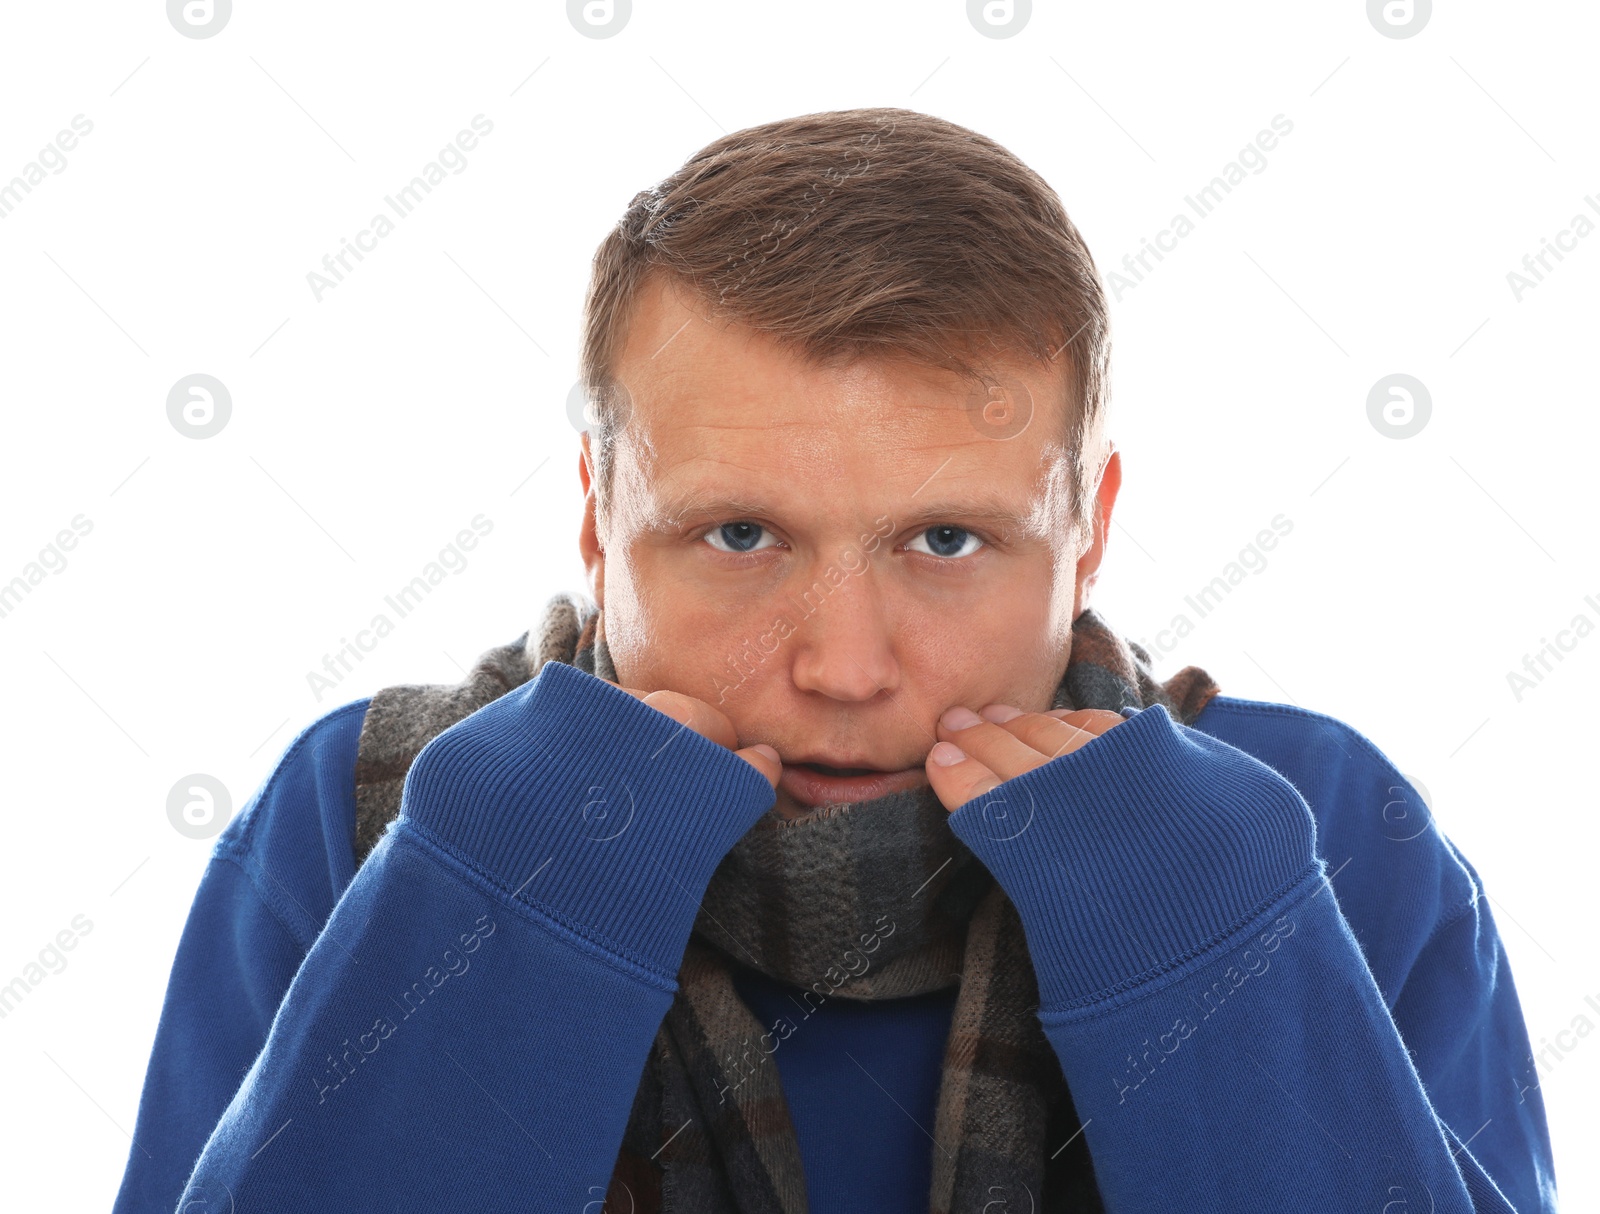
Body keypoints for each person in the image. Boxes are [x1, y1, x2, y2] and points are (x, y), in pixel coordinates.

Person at [112, 108, 1556, 1213]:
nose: (846, 667)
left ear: (1089, 526)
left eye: (944, 540)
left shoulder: (1320, 832)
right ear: (597, 520)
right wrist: (502, 914)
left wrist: (1217, 962)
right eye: (741, 532)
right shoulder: (368, 812)